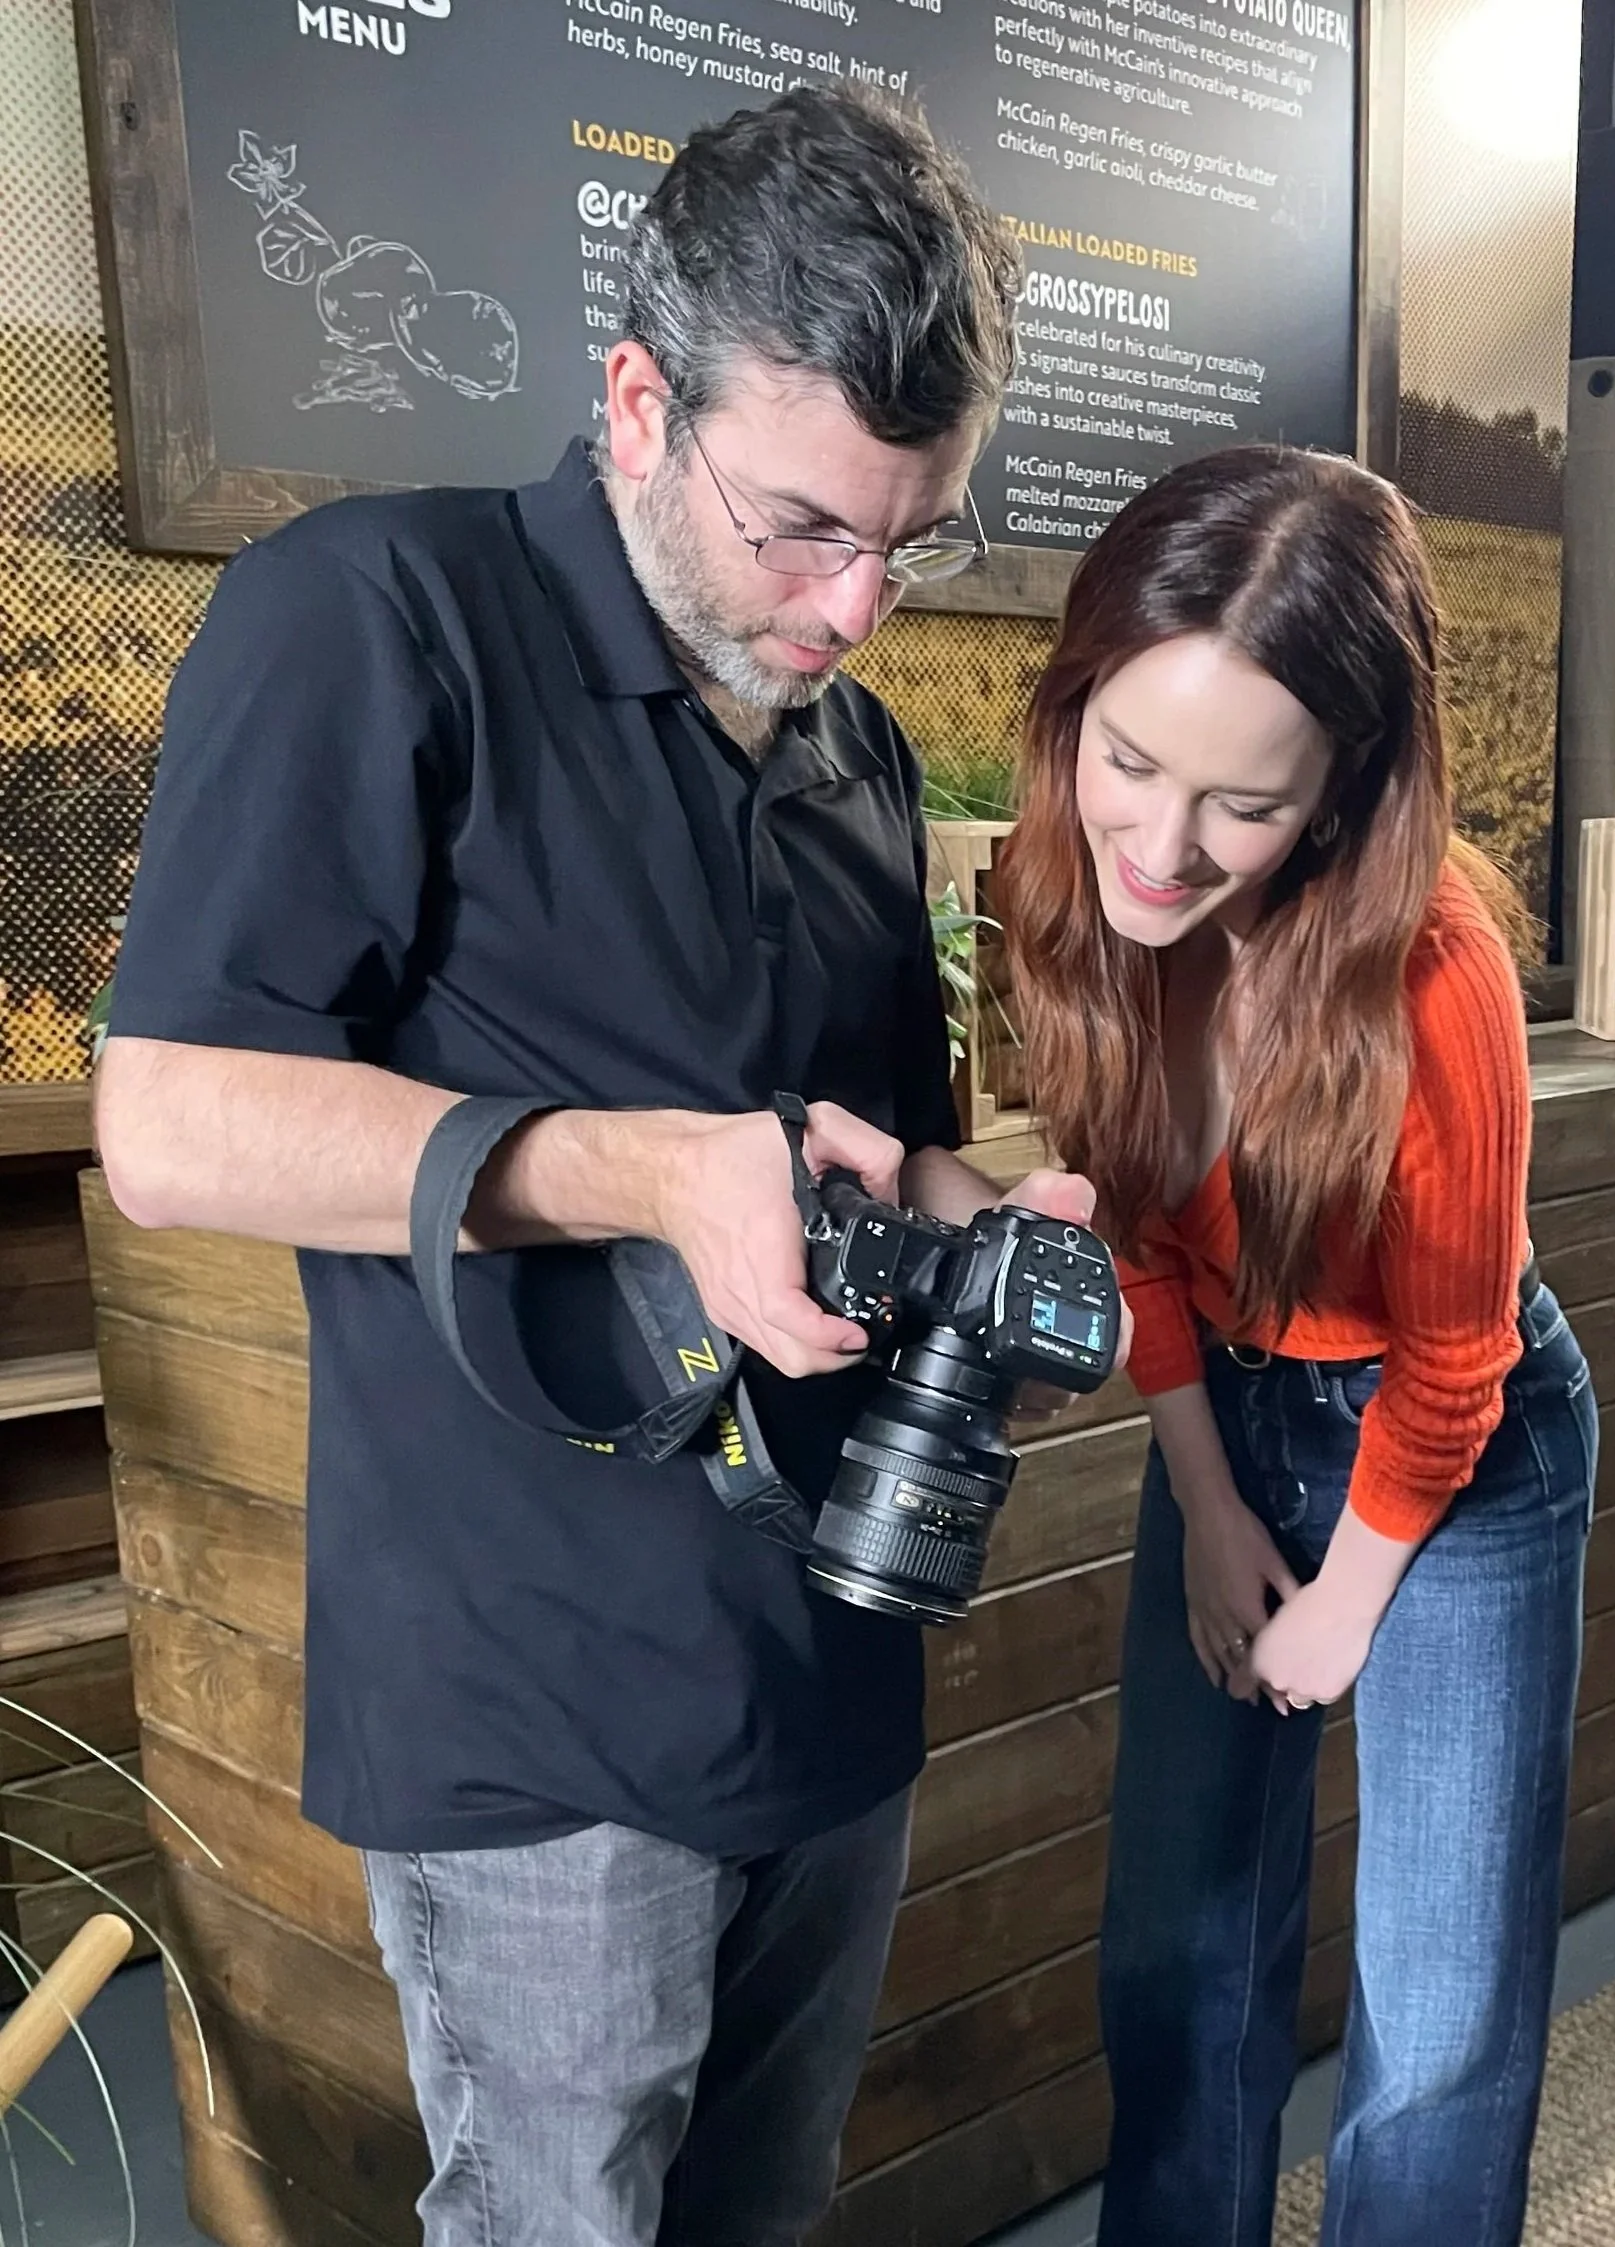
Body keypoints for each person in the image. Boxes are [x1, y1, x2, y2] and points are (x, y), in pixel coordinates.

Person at [93, 86, 1105, 2247]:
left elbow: (853, 1158)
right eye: (799, 527)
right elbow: (170, 1119)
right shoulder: (375, 612)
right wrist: (641, 1171)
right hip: (535, 1722)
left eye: (908, 537)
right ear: (639, 402)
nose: (855, 605)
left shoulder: (853, 751)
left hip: (832, 1667)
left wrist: (953, 1224)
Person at [997, 446, 1597, 2247]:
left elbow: (1455, 1356)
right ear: (1080, 698)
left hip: (1454, 1456)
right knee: (1178, 1946)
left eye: (1243, 806)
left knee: (1439, 2003)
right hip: (1227, 1418)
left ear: (1342, 792)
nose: (1161, 851)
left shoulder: (1433, 974)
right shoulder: (1070, 896)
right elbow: (1143, 1235)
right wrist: (1205, 1500)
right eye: (1127, 763)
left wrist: (1345, 1595)